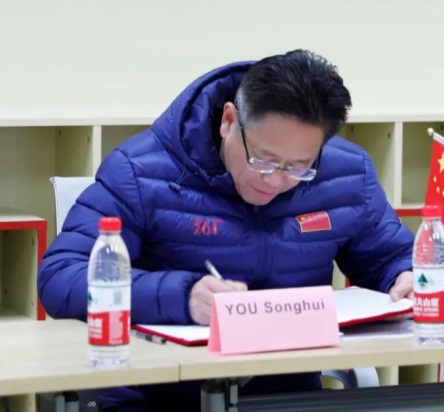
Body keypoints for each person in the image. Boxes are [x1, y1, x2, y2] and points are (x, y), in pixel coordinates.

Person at [38, 50, 414, 410]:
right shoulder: (139, 172)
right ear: (229, 121)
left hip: (287, 398)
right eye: (264, 160)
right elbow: (61, 276)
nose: (277, 180)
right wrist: (182, 297)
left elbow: (389, 257)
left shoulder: (347, 173)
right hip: (158, 398)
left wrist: (405, 276)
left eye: (299, 166)